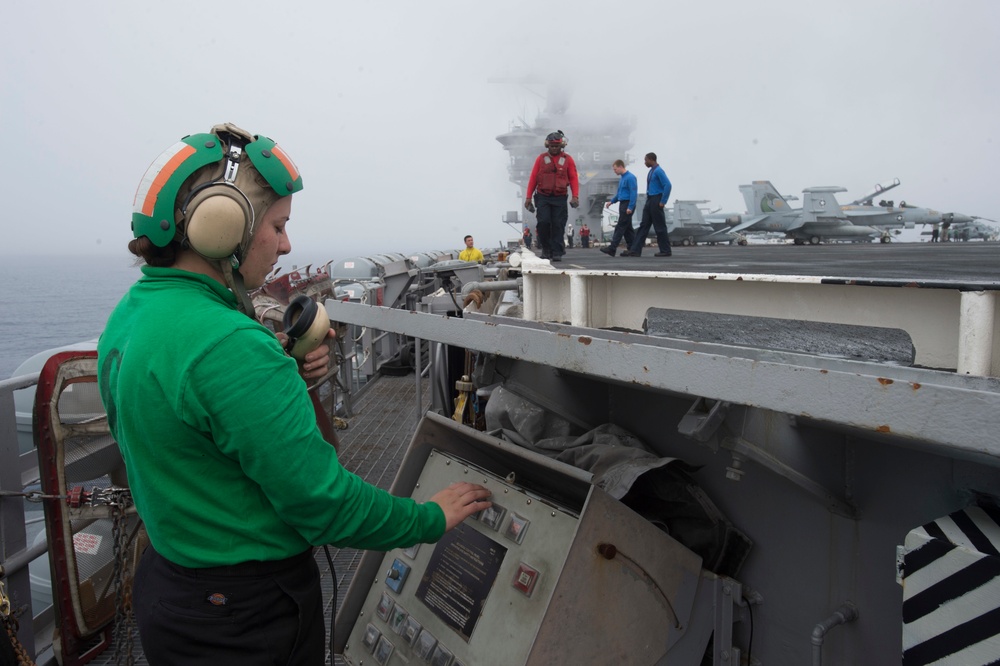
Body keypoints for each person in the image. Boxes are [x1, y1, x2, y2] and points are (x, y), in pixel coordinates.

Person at [97, 123, 492, 665]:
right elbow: (323, 504)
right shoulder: (230, 345)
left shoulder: (131, 313)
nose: (286, 245)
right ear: (223, 228)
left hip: (172, 590)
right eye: (278, 225)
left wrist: (289, 378)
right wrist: (427, 517)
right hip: (245, 618)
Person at [524, 130, 579, 262]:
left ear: (562, 146)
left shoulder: (568, 160)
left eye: (557, 146)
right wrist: (528, 197)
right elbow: (533, 178)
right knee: (543, 223)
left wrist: (575, 196)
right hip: (543, 197)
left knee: (558, 225)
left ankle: (557, 251)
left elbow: (573, 178)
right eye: (552, 146)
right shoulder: (541, 159)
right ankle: (546, 249)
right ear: (547, 146)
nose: (554, 148)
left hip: (560, 198)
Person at [624, 153, 672, 257]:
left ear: (651, 159)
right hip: (650, 199)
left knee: (659, 226)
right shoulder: (652, 171)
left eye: (646, 160)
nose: (645, 162)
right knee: (643, 226)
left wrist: (663, 201)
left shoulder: (659, 171)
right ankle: (635, 250)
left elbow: (668, 185)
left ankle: (666, 250)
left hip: (656, 199)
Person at [602, 159, 637, 256]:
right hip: (623, 204)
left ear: (621, 167)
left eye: (615, 169)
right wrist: (612, 201)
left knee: (620, 226)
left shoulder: (630, 178)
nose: (614, 171)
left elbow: (633, 194)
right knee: (627, 228)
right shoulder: (622, 178)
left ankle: (612, 248)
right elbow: (620, 194)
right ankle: (633, 249)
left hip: (627, 204)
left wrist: (630, 207)